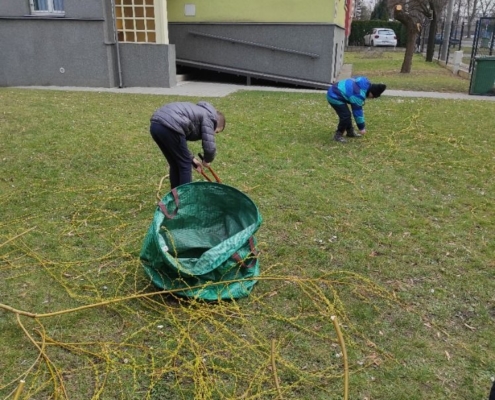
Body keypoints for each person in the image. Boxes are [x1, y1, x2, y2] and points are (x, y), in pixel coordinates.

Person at [149, 101, 225, 189]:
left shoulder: (201, 112)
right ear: (217, 124)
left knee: (175, 163)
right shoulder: (210, 118)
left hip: (156, 125)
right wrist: (207, 160)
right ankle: (185, 198)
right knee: (185, 165)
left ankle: (175, 196)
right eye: (217, 132)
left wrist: (192, 159)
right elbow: (210, 148)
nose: (214, 134)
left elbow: (179, 144)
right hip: (170, 126)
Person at [326, 76, 386, 143]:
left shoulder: (365, 82)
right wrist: (361, 128)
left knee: (347, 114)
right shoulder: (359, 95)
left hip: (336, 89)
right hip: (334, 95)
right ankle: (338, 135)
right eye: (373, 97)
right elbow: (357, 112)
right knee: (345, 115)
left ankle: (350, 132)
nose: (372, 98)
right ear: (371, 93)